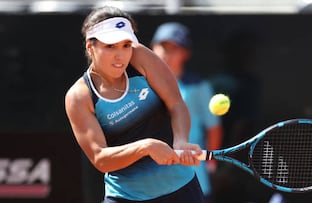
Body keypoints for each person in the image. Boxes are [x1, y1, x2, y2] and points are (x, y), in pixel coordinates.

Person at [64, 6, 206, 203]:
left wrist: (181, 140)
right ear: (90, 46)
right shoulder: (79, 97)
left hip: (181, 190)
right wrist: (145, 147)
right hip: (126, 198)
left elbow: (176, 103)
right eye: (110, 46)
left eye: (125, 45)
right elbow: (100, 158)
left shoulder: (140, 57)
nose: (120, 55)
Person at [150, 22, 223, 203]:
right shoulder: (141, 87)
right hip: (153, 183)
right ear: (152, 48)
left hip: (194, 178)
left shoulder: (199, 87)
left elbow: (214, 128)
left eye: (174, 48)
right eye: (163, 47)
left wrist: (211, 163)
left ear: (185, 53)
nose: (167, 54)